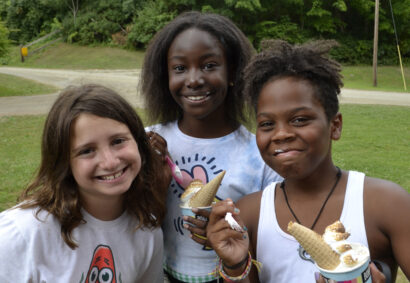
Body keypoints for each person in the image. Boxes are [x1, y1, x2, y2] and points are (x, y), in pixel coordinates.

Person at [206, 40, 410, 283]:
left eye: (300, 119)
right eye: (267, 124)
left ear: (335, 126)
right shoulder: (250, 213)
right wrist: (235, 265)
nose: (281, 134)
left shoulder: (386, 204)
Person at [140, 11, 282, 283]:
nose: (193, 79)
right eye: (180, 68)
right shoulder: (149, 143)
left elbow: (274, 235)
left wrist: (229, 233)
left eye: (209, 65)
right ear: (165, 76)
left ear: (233, 72)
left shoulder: (258, 153)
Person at [0, 84, 167, 282]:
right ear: (63, 162)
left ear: (139, 142)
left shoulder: (146, 230)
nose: (110, 162)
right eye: (87, 150)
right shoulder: (21, 235)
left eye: (118, 141)